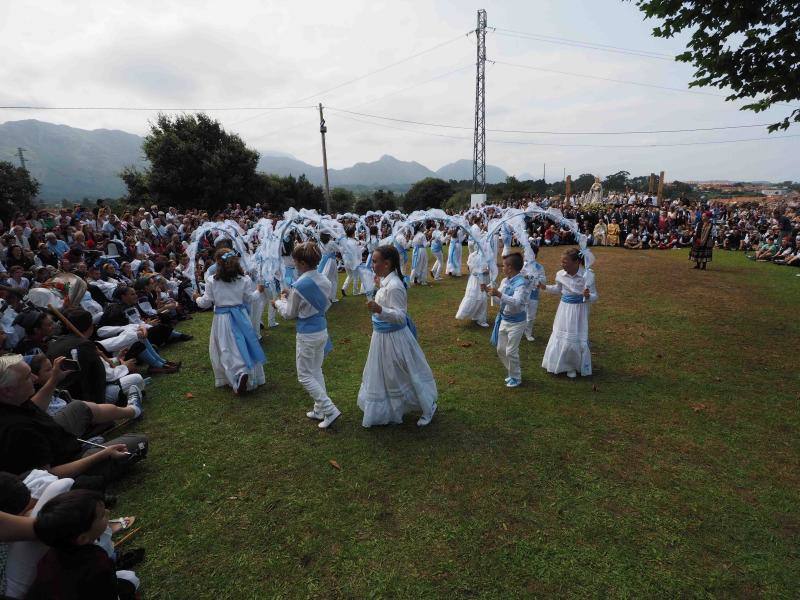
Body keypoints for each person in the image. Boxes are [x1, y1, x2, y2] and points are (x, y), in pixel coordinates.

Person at [358, 245, 437, 427]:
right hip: (381, 337)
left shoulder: (395, 286)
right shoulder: (387, 281)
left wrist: (380, 309)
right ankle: (391, 407)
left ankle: (427, 406)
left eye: (375, 261)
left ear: (387, 264)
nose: (372, 264)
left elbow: (401, 316)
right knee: (387, 373)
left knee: (406, 372)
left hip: (394, 338)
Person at [273, 242, 341, 429]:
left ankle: (329, 409)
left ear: (302, 263)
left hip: (307, 334)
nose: (294, 265)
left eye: (295, 262)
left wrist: (280, 302)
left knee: (304, 375)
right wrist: (292, 294)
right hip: (321, 330)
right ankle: (320, 409)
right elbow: (321, 303)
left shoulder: (299, 285)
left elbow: (289, 314)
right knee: (316, 370)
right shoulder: (324, 280)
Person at [27, 490, 139, 599]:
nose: (108, 512)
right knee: (131, 579)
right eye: (102, 515)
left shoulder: (52, 555)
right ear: (83, 538)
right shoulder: (96, 562)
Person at [193, 249, 267, 395]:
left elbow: (205, 303)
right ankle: (247, 373)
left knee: (225, 347)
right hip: (241, 316)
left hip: (222, 319)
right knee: (243, 344)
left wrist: (196, 297)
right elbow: (250, 299)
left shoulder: (212, 280)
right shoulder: (243, 279)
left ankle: (237, 375)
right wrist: (258, 291)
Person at [540, 248, 598, 378]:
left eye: (565, 262)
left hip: (579, 311)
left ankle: (572, 365)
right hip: (564, 309)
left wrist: (588, 296)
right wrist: (545, 287)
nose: (562, 264)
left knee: (574, 336)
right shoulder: (560, 274)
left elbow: (595, 296)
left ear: (576, 262)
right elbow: (558, 289)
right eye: (562, 262)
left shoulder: (587, 276)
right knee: (561, 334)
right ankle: (559, 364)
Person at [485, 253, 529, 388]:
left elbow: (516, 302)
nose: (502, 268)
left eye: (504, 266)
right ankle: (512, 373)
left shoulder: (521, 284)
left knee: (511, 351)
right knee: (500, 349)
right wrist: (490, 292)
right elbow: (500, 301)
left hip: (517, 322)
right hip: (504, 319)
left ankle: (516, 377)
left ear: (510, 267)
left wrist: (499, 293)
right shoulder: (505, 281)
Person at [454, 246, 489, 327]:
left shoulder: (487, 254)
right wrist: (480, 272)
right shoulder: (472, 256)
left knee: (483, 299)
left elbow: (489, 267)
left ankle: (480, 318)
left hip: (483, 279)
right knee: (476, 297)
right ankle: (475, 316)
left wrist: (487, 271)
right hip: (475, 280)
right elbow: (470, 269)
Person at [523, 244, 546, 342]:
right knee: (520, 312)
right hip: (522, 294)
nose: (525, 254)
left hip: (533, 295)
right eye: (525, 252)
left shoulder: (539, 267)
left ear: (535, 255)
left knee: (531, 315)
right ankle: (519, 330)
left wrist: (537, 280)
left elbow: (543, 279)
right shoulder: (521, 266)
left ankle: (528, 332)